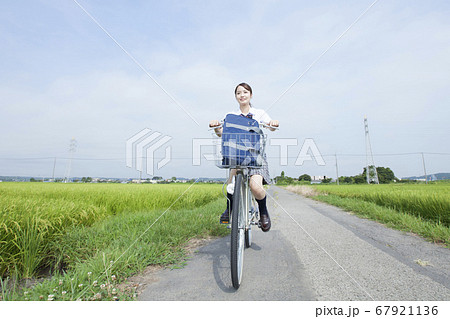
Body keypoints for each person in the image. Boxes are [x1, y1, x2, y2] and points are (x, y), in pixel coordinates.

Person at [209, 83, 279, 232]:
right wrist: (216, 126)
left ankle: (263, 211)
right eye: (238, 93)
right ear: (236, 97)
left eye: (245, 92)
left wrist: (273, 123)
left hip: (256, 155)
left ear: (251, 95)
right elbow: (222, 133)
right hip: (237, 154)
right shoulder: (231, 115)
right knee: (231, 183)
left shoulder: (259, 113)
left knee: (255, 186)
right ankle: (229, 209)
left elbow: (270, 127)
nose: (242, 95)